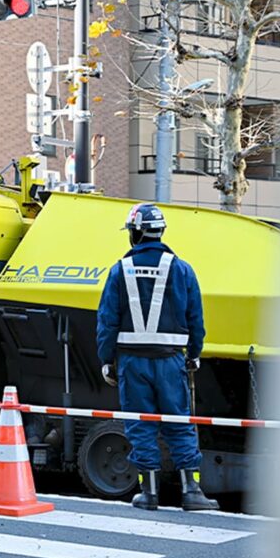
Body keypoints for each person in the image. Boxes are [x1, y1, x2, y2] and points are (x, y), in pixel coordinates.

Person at [96, 203, 219, 512]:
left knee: (141, 425)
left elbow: (107, 320)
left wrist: (106, 359)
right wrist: (194, 354)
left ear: (135, 233)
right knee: (179, 424)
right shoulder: (182, 269)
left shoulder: (119, 270)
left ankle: (148, 493)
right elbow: (196, 320)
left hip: (132, 364)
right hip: (170, 362)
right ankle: (192, 492)